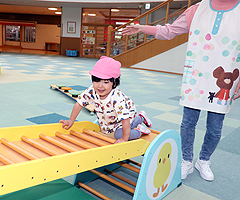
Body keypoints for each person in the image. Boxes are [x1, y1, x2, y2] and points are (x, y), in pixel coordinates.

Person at [122, 0, 240, 181]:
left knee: (215, 127)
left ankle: (204, 160)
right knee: (188, 123)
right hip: (197, 75)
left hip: (226, 78)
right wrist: (143, 29)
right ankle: (186, 160)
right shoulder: (196, 9)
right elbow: (169, 31)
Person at [59, 56, 152, 144]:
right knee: (106, 129)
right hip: (113, 117)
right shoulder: (92, 90)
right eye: (96, 80)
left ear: (115, 83)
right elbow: (79, 103)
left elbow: (125, 120)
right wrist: (71, 121)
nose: (100, 86)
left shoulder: (117, 98)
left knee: (118, 134)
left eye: (106, 82)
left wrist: (124, 139)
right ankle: (141, 117)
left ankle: (140, 131)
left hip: (125, 115)